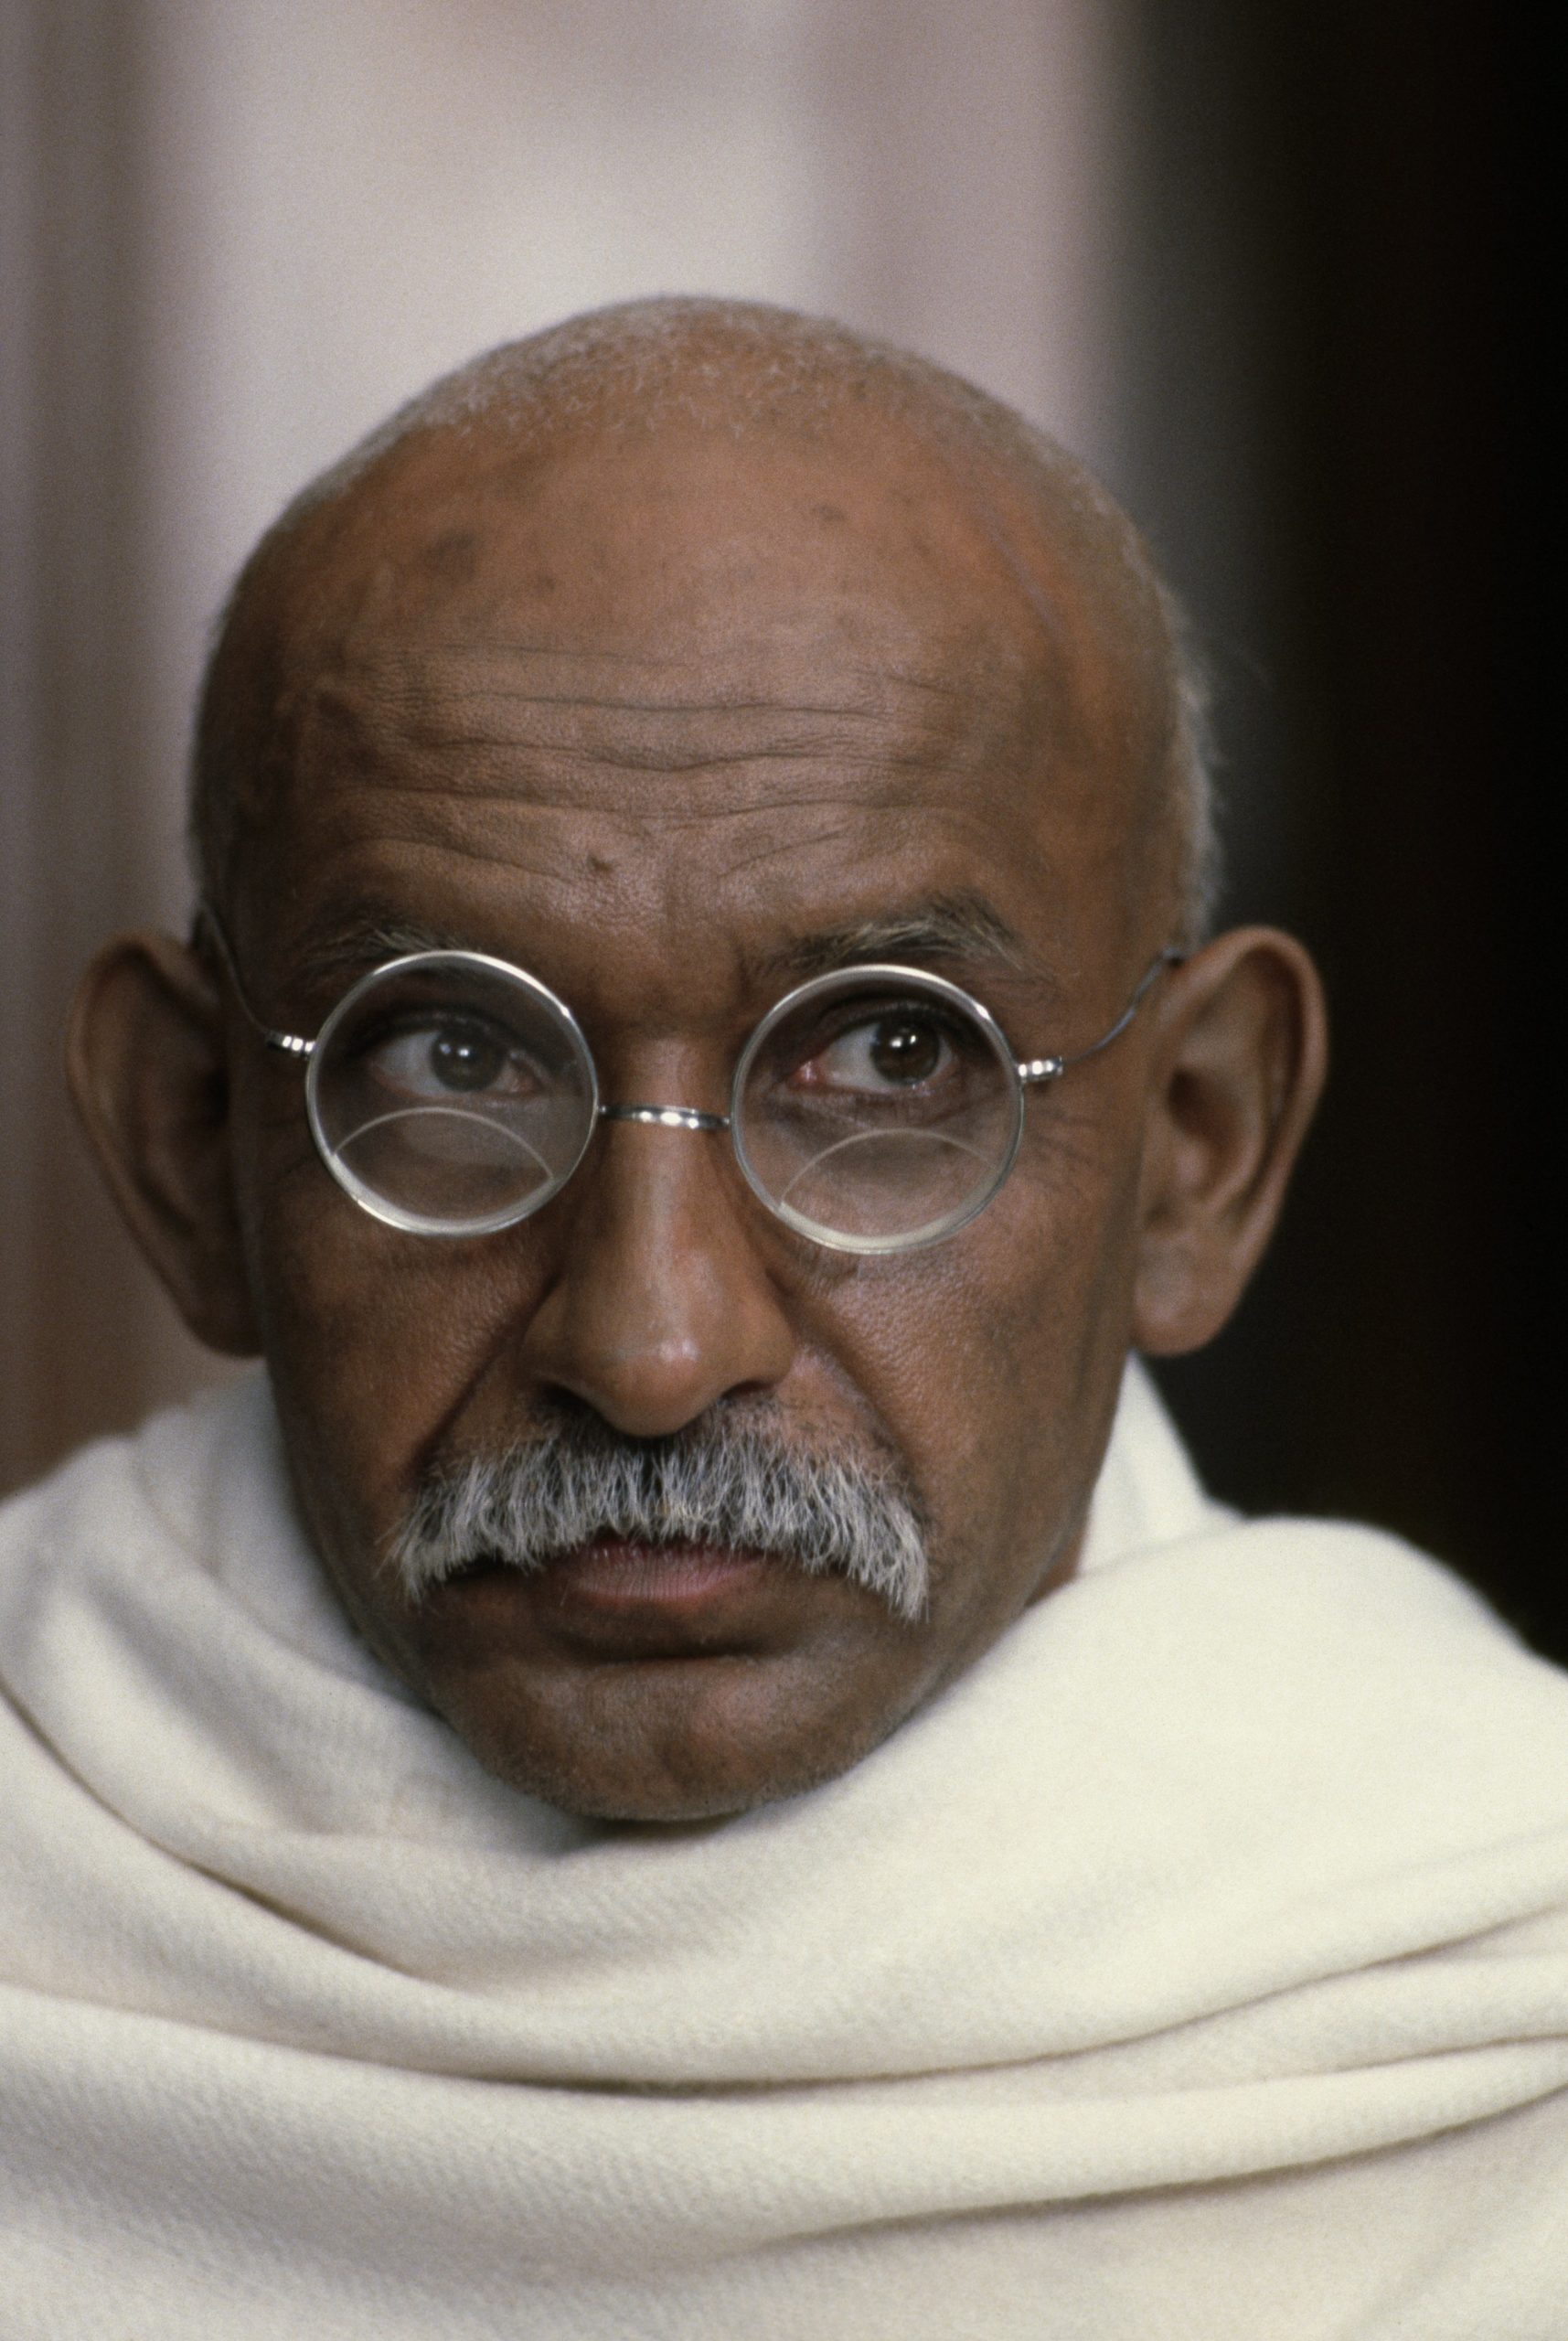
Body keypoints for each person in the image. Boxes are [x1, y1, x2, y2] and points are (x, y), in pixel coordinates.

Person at [2, 297, 1565, 2339]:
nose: (653, 1347)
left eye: (892, 1058)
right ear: (192, 1145)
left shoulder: (1494, 2015)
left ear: (1197, 1148)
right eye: (457, 1057)